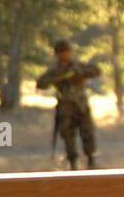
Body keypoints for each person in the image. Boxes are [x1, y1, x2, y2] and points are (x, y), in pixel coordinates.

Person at [36, 39, 100, 170]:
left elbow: (96, 70)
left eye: (66, 52)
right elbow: (41, 83)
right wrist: (57, 79)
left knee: (87, 133)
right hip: (65, 108)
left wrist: (80, 74)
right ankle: (73, 162)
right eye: (62, 52)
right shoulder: (55, 70)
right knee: (68, 136)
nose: (65, 55)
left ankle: (91, 160)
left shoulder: (77, 66)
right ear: (57, 54)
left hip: (81, 106)